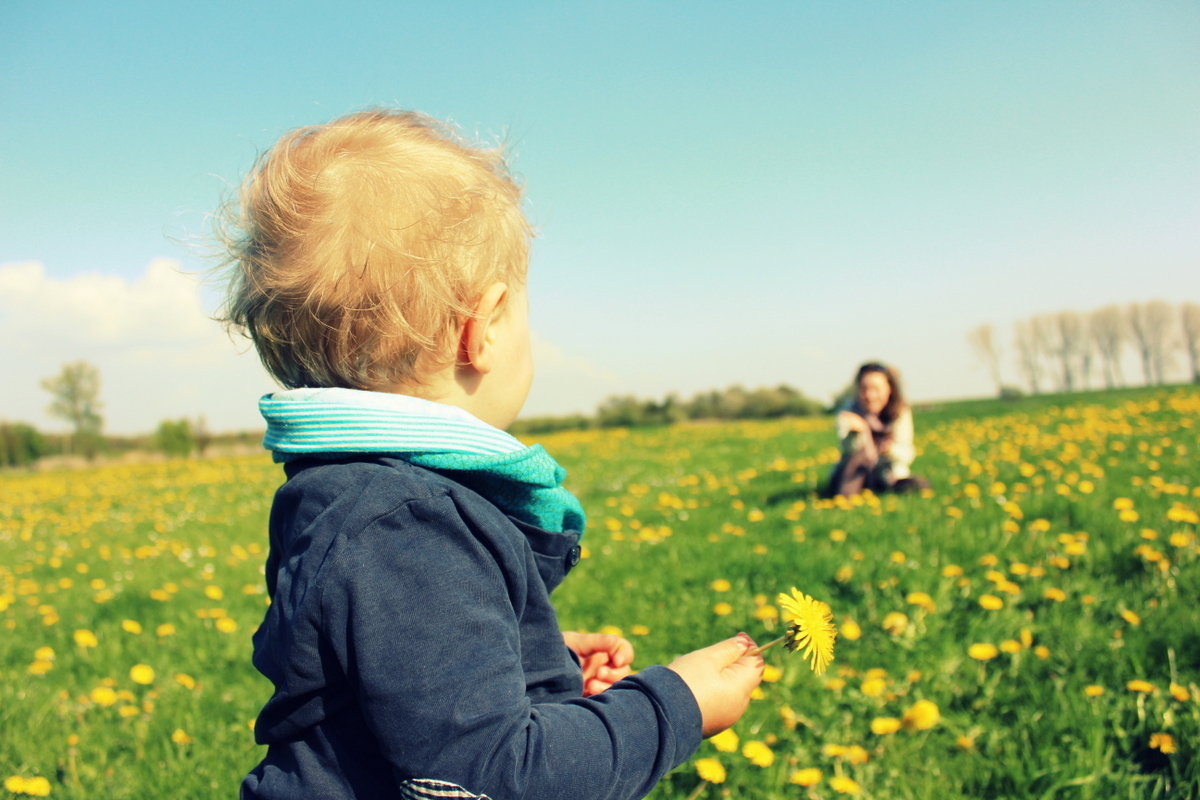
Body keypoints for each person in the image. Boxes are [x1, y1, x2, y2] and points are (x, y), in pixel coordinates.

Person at [216, 108, 764, 800]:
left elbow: (384, 680)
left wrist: (522, 661)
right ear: (487, 328)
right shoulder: (404, 523)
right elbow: (498, 779)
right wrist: (674, 705)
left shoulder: (353, 496)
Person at [827, 362, 927, 496]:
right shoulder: (847, 413)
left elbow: (907, 454)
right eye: (864, 389)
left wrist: (890, 450)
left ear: (889, 389)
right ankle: (845, 498)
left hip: (888, 473)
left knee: (920, 486)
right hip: (854, 474)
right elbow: (848, 450)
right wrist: (859, 432)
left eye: (876, 389)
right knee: (857, 459)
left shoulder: (900, 412)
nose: (870, 396)